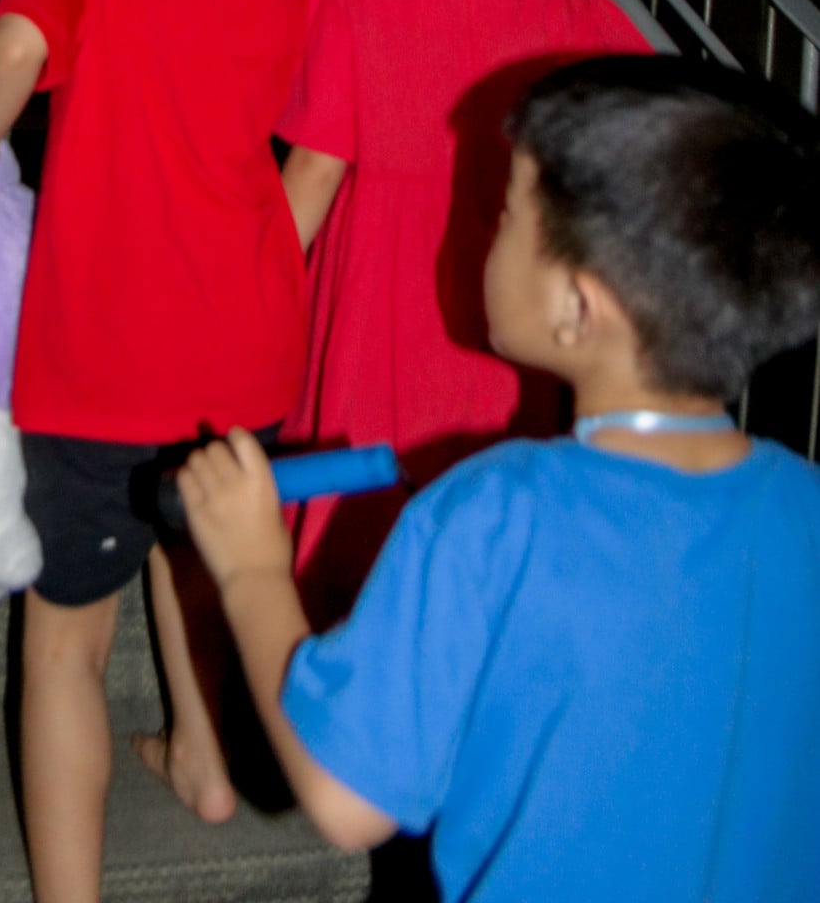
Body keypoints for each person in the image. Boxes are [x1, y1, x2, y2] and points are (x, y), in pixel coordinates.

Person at [178, 57, 820, 903]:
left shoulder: (492, 515)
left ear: (577, 308)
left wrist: (251, 568)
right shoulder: (803, 510)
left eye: (506, 213)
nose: (483, 230)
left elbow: (344, 799)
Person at [0, 0, 375, 903]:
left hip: (101, 361)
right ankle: (204, 759)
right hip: (248, 351)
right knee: (196, 553)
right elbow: (315, 163)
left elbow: (8, 53)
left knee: (65, 645)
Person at [276, 0, 651, 622]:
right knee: (490, 578)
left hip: (366, 359)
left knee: (351, 576)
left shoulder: (350, 6)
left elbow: (303, 194)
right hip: (516, 365)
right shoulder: (583, 14)